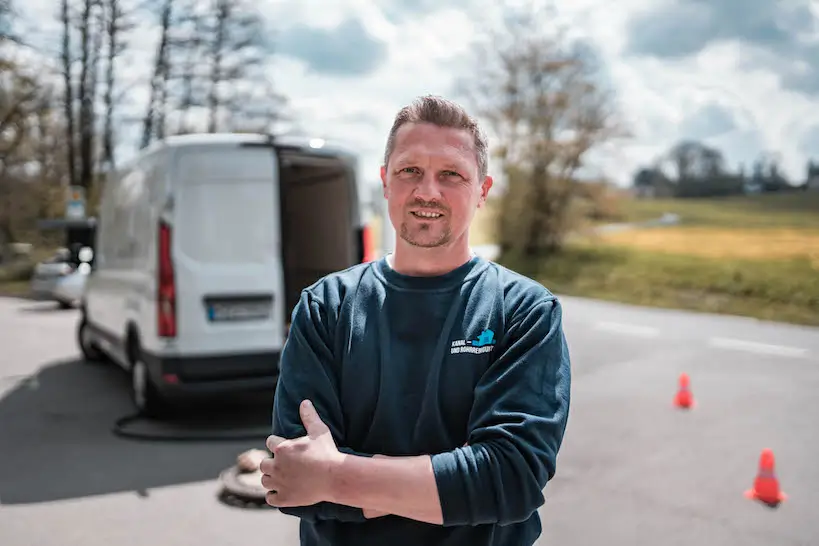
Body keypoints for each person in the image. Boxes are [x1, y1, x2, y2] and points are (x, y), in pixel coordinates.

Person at [260, 95, 572, 546]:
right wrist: (450, 486)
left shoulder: (523, 310)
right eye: (410, 171)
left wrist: (333, 475)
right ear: (386, 181)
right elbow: (292, 481)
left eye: (451, 174)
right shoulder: (326, 305)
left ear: (482, 190)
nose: (428, 191)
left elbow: (510, 479)